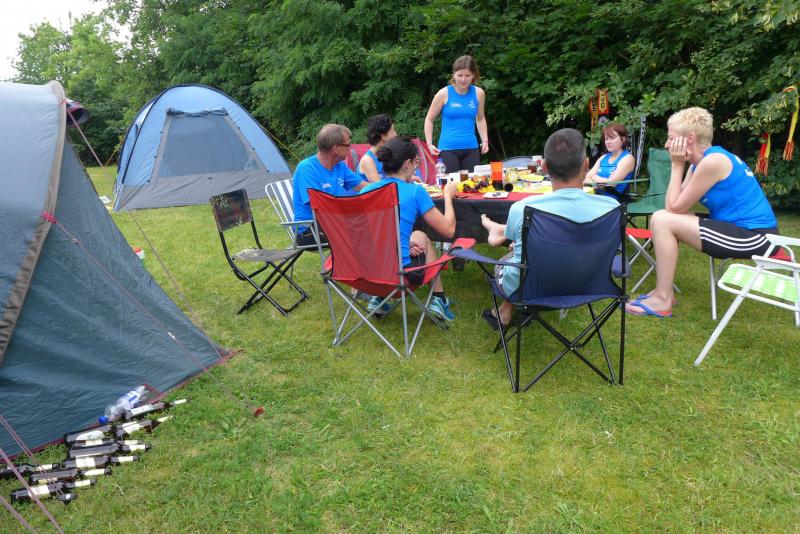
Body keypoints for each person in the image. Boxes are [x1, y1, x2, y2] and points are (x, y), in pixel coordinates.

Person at [626, 107, 778, 318]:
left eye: (671, 138)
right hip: (734, 228)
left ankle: (663, 298)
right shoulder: (699, 164)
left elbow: (675, 207)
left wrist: (676, 165)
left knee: (663, 221)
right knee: (660, 217)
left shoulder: (713, 161)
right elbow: (674, 206)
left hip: (756, 237)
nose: (667, 145)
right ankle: (664, 292)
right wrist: (681, 166)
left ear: (689, 138)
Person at [480, 128, 620, 330]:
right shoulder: (612, 209)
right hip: (589, 286)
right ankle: (504, 234)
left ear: (544, 167)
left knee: (509, 260)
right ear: (586, 164)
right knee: (523, 249)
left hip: (529, 289)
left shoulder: (523, 209)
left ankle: (503, 311)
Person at [360, 137, 459, 322]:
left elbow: (372, 233)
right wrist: (448, 195)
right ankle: (439, 299)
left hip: (366, 274)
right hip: (400, 274)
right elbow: (449, 230)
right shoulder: (414, 192)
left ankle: (379, 298)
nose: (416, 167)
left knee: (411, 237)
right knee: (421, 236)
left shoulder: (366, 192)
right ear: (407, 163)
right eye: (416, 162)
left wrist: (404, 242)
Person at [292, 124, 368, 247]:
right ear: (336, 148)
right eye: (348, 145)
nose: (350, 148)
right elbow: (319, 207)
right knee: (363, 232)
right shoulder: (307, 168)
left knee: (372, 225)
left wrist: (387, 190)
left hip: (335, 223)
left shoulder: (340, 166)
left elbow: (364, 187)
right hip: (310, 230)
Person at [424, 55, 489, 174]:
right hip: (448, 149)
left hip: (471, 148)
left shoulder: (479, 93)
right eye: (460, 75)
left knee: (472, 184)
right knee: (450, 184)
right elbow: (429, 119)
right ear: (453, 74)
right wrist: (429, 144)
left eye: (467, 75)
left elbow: (480, 119)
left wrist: (485, 140)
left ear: (473, 75)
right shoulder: (443, 93)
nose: (463, 79)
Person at [584, 123, 635, 199]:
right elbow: (586, 179)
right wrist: (605, 181)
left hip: (611, 201)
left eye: (612, 138)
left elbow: (610, 184)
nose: (608, 142)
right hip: (594, 197)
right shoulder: (603, 157)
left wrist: (594, 177)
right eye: (606, 139)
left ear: (623, 139)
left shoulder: (627, 158)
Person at [358, 113, 397, 183]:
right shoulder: (367, 160)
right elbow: (380, 187)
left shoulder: (387, 154)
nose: (395, 134)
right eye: (392, 131)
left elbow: (395, 177)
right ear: (383, 136)